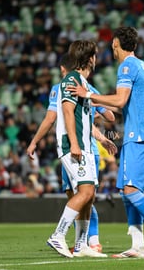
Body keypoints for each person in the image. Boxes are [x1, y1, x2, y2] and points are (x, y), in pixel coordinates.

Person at [68, 26, 144, 259]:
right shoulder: (143, 66)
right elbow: (123, 105)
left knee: (131, 190)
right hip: (139, 134)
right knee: (127, 193)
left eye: (112, 44)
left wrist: (89, 96)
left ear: (116, 43)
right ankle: (137, 245)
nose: (111, 48)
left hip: (139, 136)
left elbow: (120, 98)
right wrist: (96, 103)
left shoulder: (127, 66)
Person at [26, 53, 116, 253]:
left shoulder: (63, 88)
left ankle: (83, 240)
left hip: (80, 147)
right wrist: (96, 100)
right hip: (86, 147)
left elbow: (51, 119)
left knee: (81, 195)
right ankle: (84, 242)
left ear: (62, 69)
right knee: (87, 196)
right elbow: (110, 116)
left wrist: (34, 142)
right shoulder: (86, 88)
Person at [45, 40, 107, 258]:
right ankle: (58, 235)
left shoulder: (82, 82)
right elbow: (68, 111)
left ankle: (81, 245)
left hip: (85, 146)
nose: (97, 59)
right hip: (74, 145)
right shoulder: (72, 79)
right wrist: (73, 143)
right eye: (95, 55)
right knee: (86, 192)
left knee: (89, 197)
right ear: (90, 58)